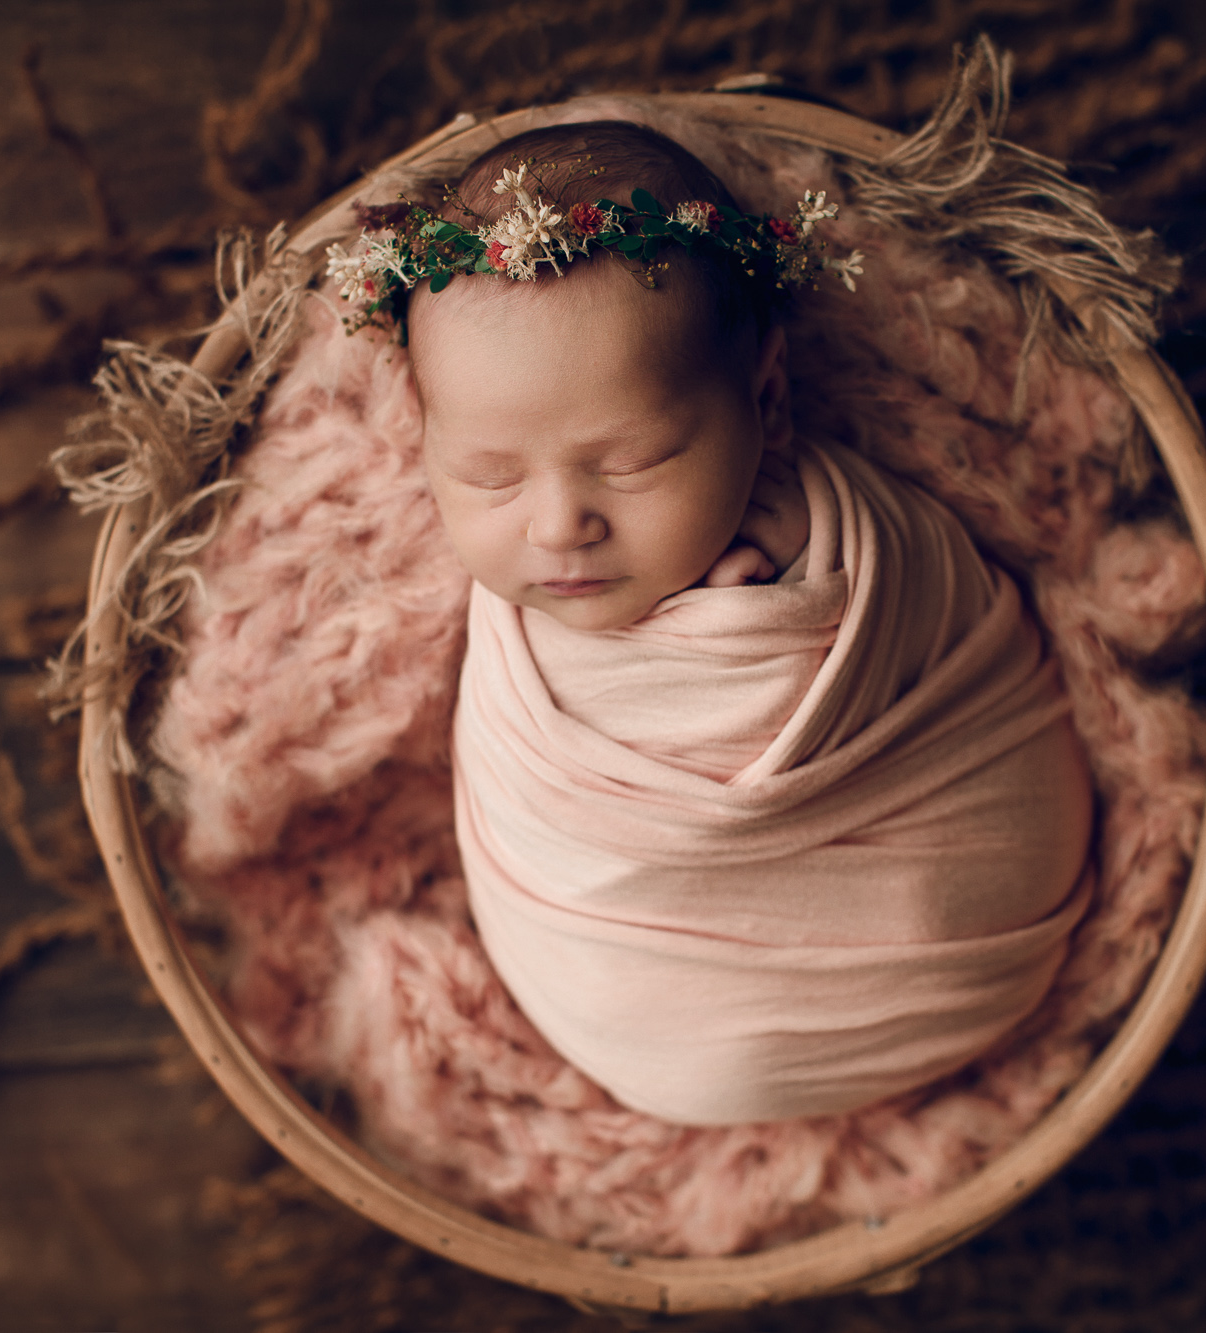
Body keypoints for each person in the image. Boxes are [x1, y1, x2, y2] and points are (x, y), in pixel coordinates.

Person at [327, 120, 1095, 1126]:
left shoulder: (855, 535)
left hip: (962, 926)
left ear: (765, 400)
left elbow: (950, 625)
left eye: (633, 461)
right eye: (488, 475)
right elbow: (534, 811)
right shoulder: (503, 620)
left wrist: (773, 622)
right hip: (633, 1007)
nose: (560, 525)